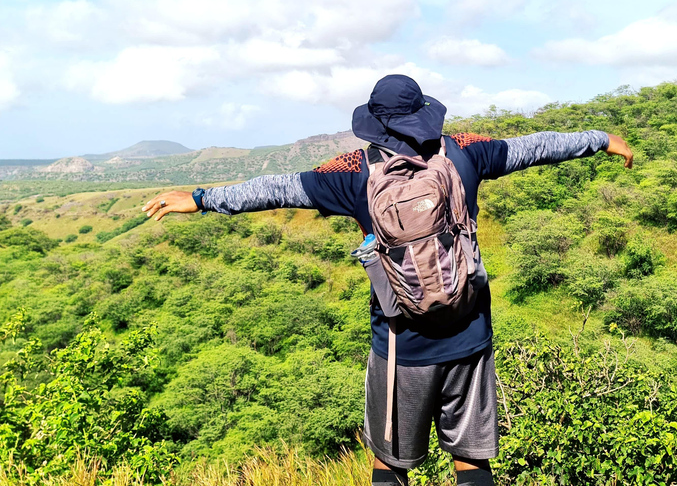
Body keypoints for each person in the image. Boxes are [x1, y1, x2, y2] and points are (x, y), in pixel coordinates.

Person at [142, 74, 633, 486]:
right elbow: (536, 148)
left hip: (401, 345)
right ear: (424, 115)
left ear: (373, 124)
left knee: (390, 462)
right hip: (469, 337)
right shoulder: (465, 157)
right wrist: (599, 139)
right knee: (472, 459)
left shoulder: (352, 176)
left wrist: (201, 197)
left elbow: (274, 189)